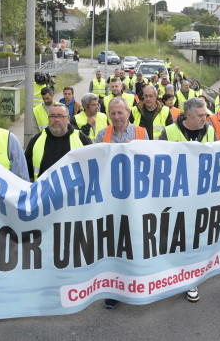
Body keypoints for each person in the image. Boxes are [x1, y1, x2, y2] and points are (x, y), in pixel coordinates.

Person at [159, 97, 215, 303]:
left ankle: (190, 280)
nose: (205, 119)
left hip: (201, 195)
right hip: (175, 197)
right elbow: (156, 162)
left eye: (205, 115)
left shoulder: (210, 130)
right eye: (200, 116)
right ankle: (171, 275)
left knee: (194, 239)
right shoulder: (168, 132)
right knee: (175, 238)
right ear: (188, 115)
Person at [94, 97, 148, 309]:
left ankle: (137, 285)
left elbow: (149, 164)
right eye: (113, 113)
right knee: (113, 245)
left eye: (120, 113)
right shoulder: (102, 134)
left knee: (135, 242)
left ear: (128, 112)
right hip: (110, 199)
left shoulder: (141, 134)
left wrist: (134, 150)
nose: (116, 117)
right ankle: (114, 289)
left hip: (135, 199)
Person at [24, 103, 93, 182]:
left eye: (60, 116)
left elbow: (92, 169)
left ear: (68, 119)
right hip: (44, 192)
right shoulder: (36, 141)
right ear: (48, 118)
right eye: (52, 116)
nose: (56, 120)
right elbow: (27, 174)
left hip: (73, 193)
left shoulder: (82, 139)